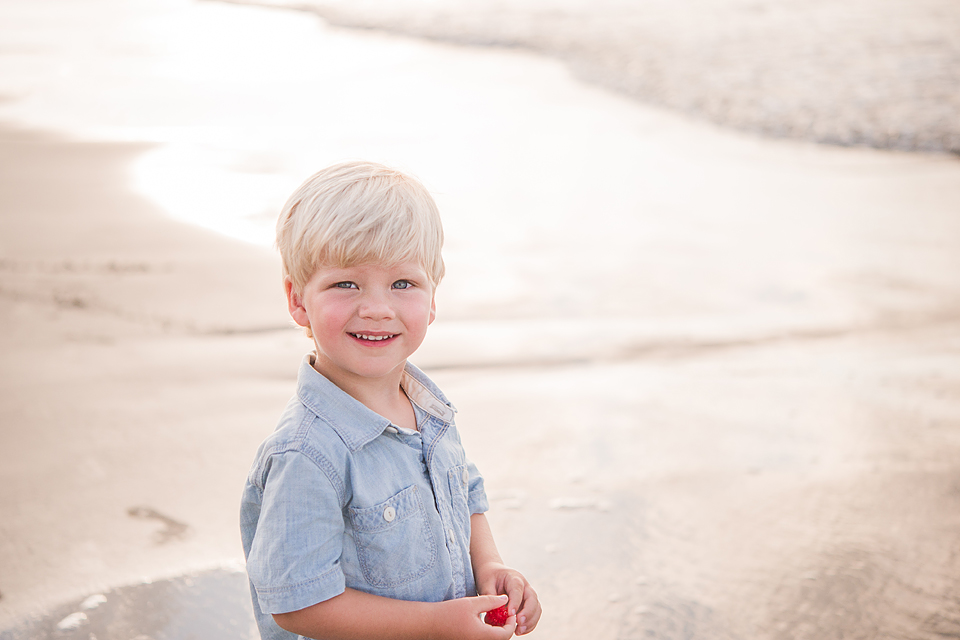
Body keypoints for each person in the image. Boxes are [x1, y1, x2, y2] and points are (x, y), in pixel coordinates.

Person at [240, 161, 541, 640]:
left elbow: (462, 491)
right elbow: (296, 604)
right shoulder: (306, 454)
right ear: (298, 300)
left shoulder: (429, 409)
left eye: (403, 283)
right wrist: (432, 626)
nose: (377, 308)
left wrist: (490, 566)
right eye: (346, 283)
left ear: (433, 298)